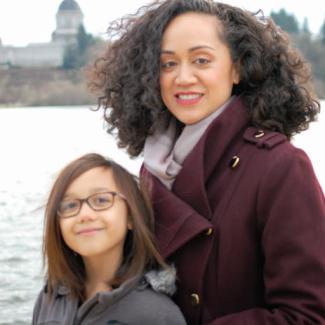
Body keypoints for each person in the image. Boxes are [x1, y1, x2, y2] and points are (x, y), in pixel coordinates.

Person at [88, 0, 325, 324]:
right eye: (167, 64)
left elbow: (308, 315)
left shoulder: (280, 167)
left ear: (238, 68)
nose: (182, 78)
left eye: (201, 60)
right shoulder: (151, 169)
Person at [32, 153, 186, 325]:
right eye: (70, 205)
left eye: (101, 200)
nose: (85, 215)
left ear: (131, 217)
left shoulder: (155, 314)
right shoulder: (50, 298)